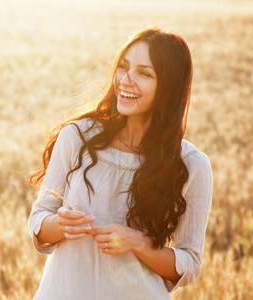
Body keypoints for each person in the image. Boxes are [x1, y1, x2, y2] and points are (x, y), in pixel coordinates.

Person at [27, 27, 213, 300]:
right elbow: (39, 222)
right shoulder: (77, 137)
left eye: (144, 73)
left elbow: (190, 263)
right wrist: (60, 224)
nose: (126, 80)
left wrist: (138, 244)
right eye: (123, 67)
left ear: (169, 86)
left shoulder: (191, 166)